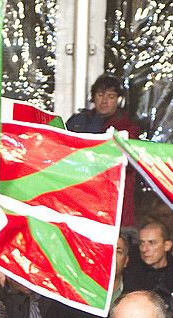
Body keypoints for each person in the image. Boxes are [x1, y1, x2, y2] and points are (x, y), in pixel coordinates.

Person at [65, 74, 141, 227]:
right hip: (79, 199)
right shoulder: (78, 122)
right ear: (93, 97)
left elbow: (131, 162)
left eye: (111, 96)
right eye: (100, 95)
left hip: (114, 201)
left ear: (119, 100)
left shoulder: (128, 127)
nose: (104, 101)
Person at [122, 221, 173, 295]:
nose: (144, 249)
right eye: (142, 243)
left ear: (167, 245)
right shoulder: (130, 274)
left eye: (152, 243)